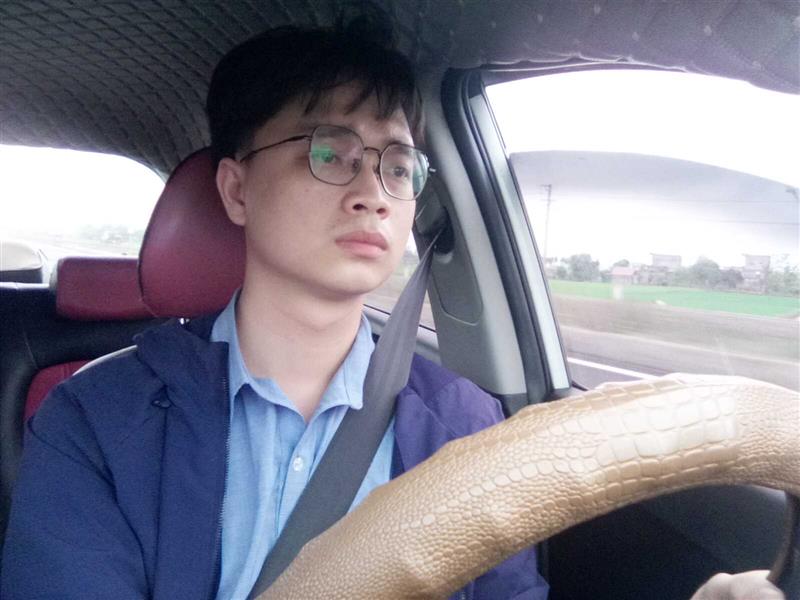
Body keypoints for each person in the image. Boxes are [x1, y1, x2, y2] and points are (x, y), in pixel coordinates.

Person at [0, 14, 786, 600]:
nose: (374, 191)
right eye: (330, 152)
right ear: (236, 191)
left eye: (399, 164)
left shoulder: (466, 424)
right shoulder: (95, 422)